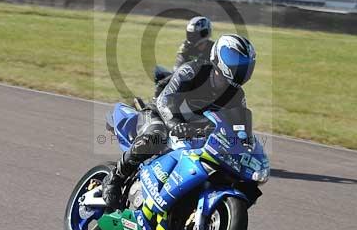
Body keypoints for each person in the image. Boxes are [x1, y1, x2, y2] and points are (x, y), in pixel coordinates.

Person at [102, 34, 256, 208]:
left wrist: (246, 146)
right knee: (155, 136)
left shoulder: (237, 96)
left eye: (244, 66)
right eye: (236, 62)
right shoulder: (193, 70)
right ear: (221, 57)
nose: (240, 69)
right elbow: (164, 101)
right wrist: (175, 124)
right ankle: (115, 178)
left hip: (193, 132)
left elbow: (240, 129)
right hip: (160, 115)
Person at [154, 16, 214, 96]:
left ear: (204, 33)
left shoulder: (214, 48)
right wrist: (165, 81)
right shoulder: (186, 47)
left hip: (205, 83)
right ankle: (159, 100)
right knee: (159, 72)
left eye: (195, 34)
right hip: (185, 77)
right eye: (190, 34)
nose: (191, 37)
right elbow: (177, 69)